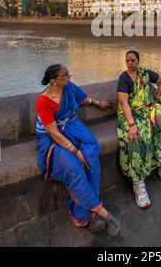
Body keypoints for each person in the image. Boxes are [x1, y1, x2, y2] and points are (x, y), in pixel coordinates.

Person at [36, 64, 121, 235]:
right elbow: (53, 132)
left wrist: (99, 103)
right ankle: (99, 211)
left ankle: (83, 213)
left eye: (68, 73)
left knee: (91, 156)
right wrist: (75, 151)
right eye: (65, 75)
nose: (70, 76)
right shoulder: (43, 102)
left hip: (72, 125)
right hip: (52, 138)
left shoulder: (68, 87)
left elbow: (82, 98)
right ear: (54, 81)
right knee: (73, 167)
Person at [117, 50, 161, 209]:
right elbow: (124, 104)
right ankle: (138, 183)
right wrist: (132, 125)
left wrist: (157, 97)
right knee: (136, 136)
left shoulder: (145, 73)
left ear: (139, 61)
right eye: (127, 60)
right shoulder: (123, 78)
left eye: (133, 60)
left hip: (149, 107)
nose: (130, 63)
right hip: (130, 113)